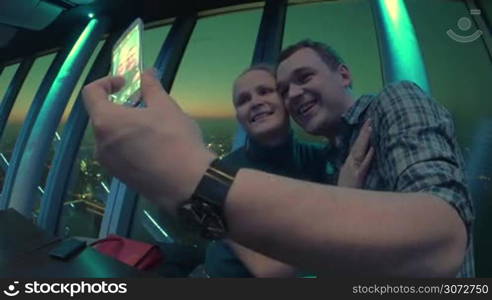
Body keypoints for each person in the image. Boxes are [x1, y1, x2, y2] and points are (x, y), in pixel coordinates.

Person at [82, 40, 472, 277]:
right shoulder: (335, 155)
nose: (293, 94)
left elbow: (442, 233)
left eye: (303, 79)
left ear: (345, 74)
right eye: (285, 88)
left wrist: (188, 172)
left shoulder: (388, 106)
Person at [204, 64, 373, 277]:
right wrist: (346, 197)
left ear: (286, 101)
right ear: (239, 117)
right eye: (243, 100)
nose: (255, 102)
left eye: (265, 91)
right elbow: (273, 271)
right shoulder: (222, 176)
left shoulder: (320, 159)